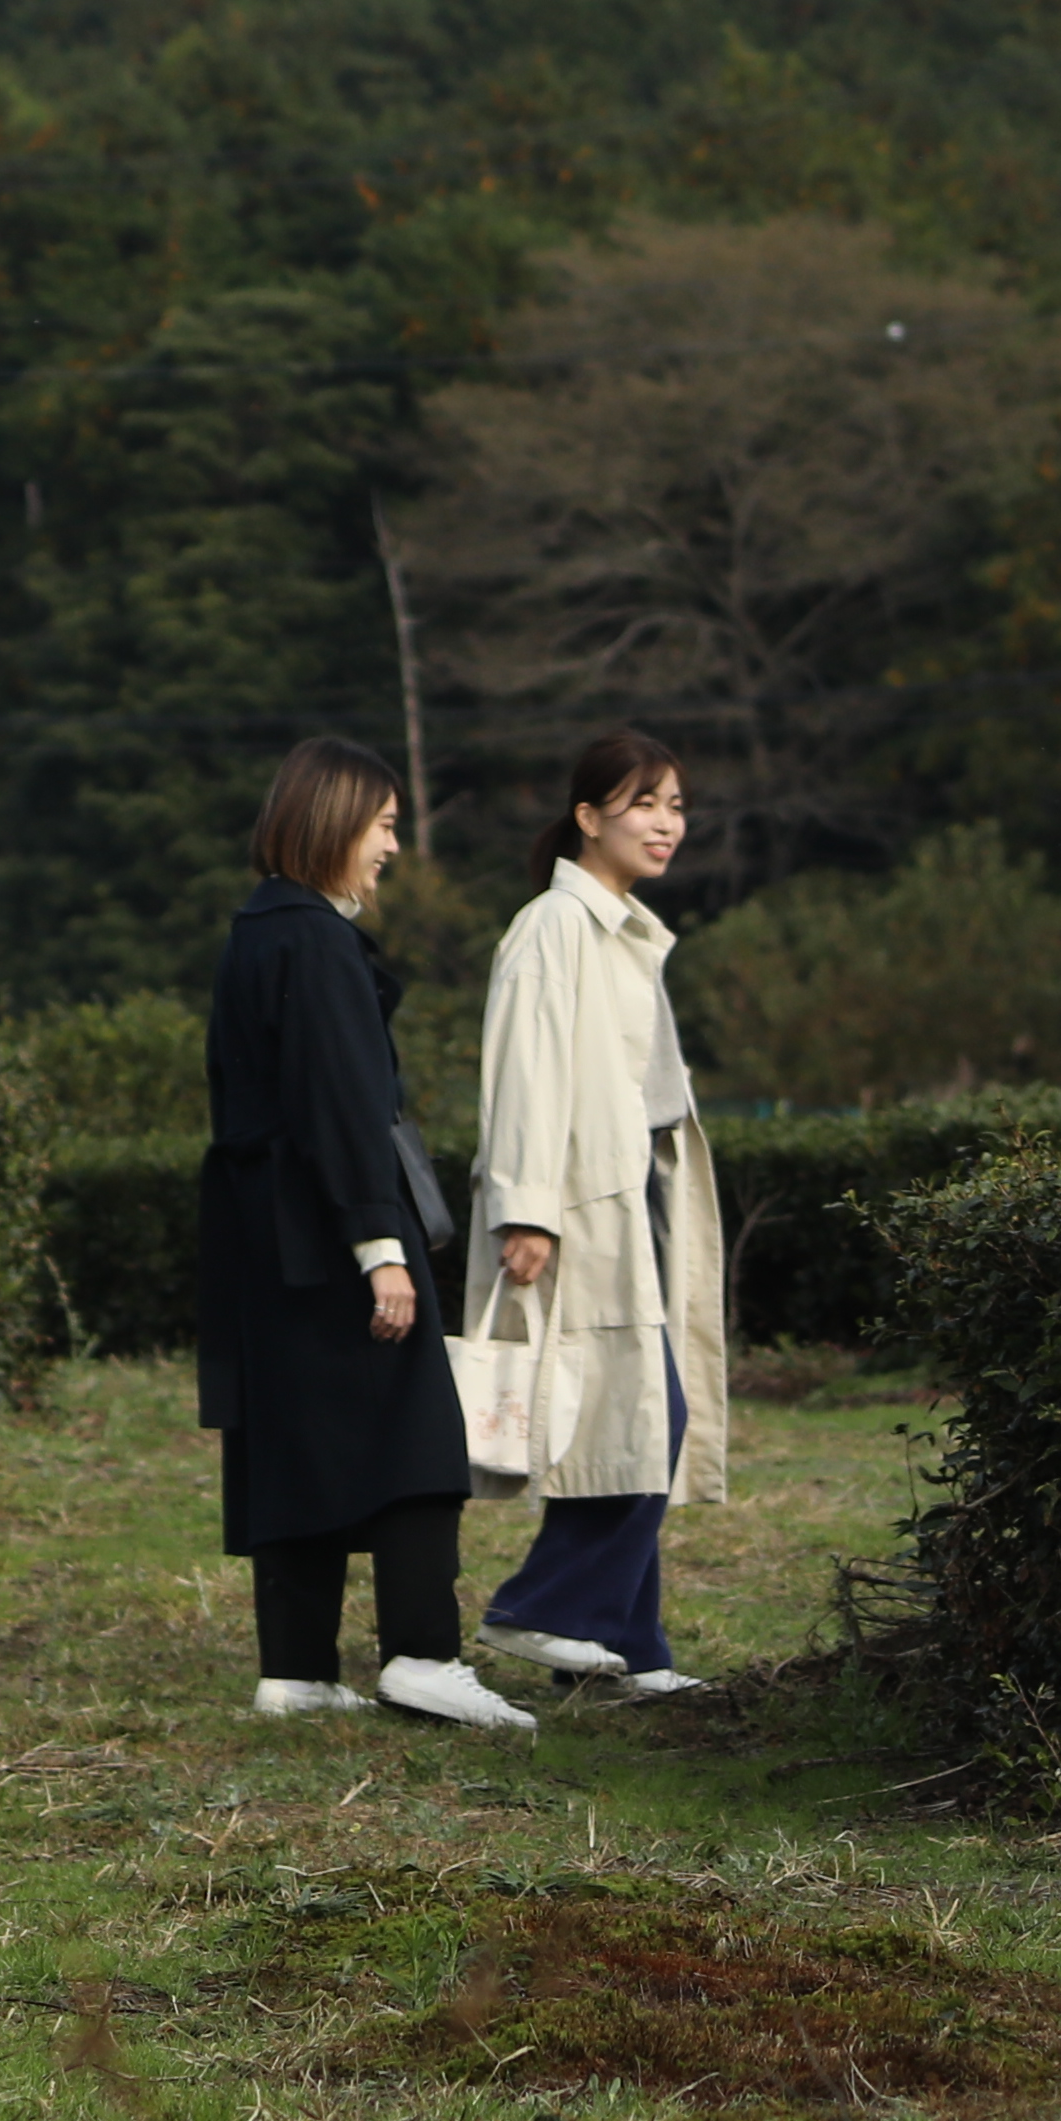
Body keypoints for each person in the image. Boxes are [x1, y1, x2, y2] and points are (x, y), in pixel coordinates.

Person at [194, 734, 530, 1733]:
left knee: (295, 1436)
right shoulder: (316, 941)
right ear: (335, 821)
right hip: (329, 1229)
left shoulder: (256, 930)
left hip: (265, 1235)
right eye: (383, 825)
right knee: (420, 1433)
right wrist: (381, 1249)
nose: (392, 846)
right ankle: (424, 1653)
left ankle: (294, 1670)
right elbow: (343, 1109)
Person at [475, 727, 733, 1700]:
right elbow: (526, 1071)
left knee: (639, 1412)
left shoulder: (622, 926)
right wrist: (527, 1209)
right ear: (588, 817)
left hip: (633, 1198)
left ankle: (630, 1647)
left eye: (676, 805)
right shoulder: (556, 925)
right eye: (644, 804)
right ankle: (543, 1608)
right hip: (579, 1205)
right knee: (640, 1414)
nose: (667, 823)